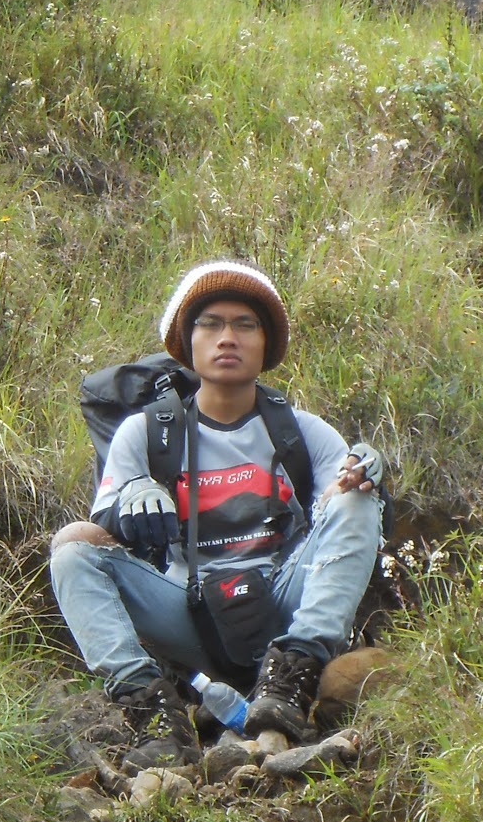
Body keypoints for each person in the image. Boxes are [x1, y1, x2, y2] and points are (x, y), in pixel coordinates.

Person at [50, 260, 384, 759]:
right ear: (187, 344)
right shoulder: (145, 434)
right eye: (210, 323)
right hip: (189, 613)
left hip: (283, 600)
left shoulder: (299, 431)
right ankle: (149, 708)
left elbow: (344, 507)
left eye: (245, 324)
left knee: (358, 497)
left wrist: (362, 473)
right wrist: (130, 502)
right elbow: (100, 537)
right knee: (71, 549)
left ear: (265, 345)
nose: (228, 337)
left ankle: (293, 675)